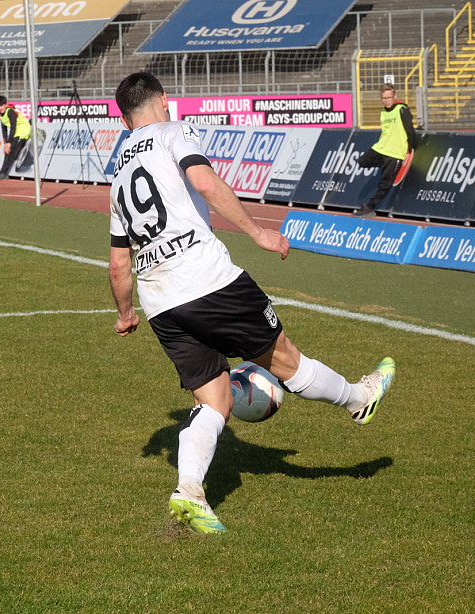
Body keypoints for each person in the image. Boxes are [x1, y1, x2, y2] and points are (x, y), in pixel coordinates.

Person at [107, 72, 395, 534]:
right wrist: (258, 231)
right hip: (208, 280)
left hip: (160, 301)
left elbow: (119, 263)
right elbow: (204, 181)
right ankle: (359, 399)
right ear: (164, 100)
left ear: (124, 120)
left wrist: (125, 314)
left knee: (214, 401)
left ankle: (189, 491)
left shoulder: (118, 171)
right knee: (287, 361)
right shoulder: (174, 131)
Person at [353, 83, 416, 218]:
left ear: (395, 96)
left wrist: (408, 151)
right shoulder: (383, 112)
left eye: (389, 97)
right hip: (381, 148)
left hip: (395, 153)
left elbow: (410, 132)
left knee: (385, 184)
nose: (387, 101)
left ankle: (370, 207)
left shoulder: (402, 110)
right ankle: (385, 166)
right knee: (362, 161)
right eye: (384, 98)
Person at [0, 95, 30, 180]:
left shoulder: (10, 112)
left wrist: (9, 143)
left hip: (23, 130)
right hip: (16, 131)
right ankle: (2, 171)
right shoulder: (1, 115)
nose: (0, 108)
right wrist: (5, 143)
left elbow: (13, 127)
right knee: (7, 151)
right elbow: (4, 130)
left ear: (6, 105)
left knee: (12, 151)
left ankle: (4, 173)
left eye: (2, 105)